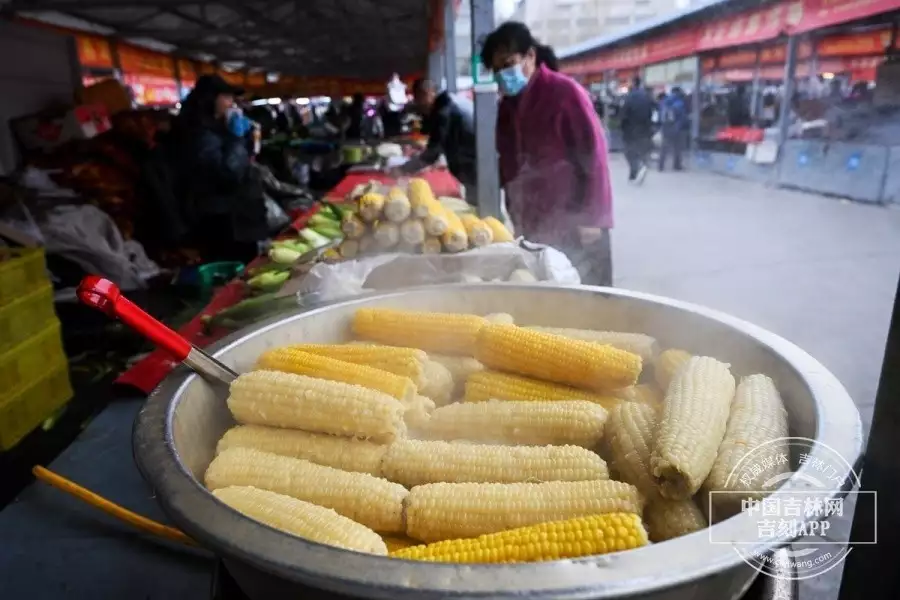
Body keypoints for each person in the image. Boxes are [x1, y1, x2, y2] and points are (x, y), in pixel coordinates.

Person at [483, 21, 613, 286]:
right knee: (549, 297)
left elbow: (594, 155)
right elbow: (508, 165)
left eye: (508, 64)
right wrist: (513, 213)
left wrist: (593, 217)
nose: (502, 75)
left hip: (577, 222)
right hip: (536, 224)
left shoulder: (564, 93)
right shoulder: (507, 107)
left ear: (530, 56)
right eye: (496, 70)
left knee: (591, 300)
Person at [166, 74, 267, 262]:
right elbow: (227, 174)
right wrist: (236, 138)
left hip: (235, 216)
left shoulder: (217, 128)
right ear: (211, 99)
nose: (232, 103)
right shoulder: (199, 133)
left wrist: (248, 139)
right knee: (235, 268)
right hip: (223, 219)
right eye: (227, 97)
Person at [394, 78, 477, 202]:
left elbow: (433, 153)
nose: (418, 104)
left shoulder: (445, 111)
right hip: (470, 162)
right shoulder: (447, 102)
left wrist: (403, 169)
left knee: (477, 203)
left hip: (474, 163)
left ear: (427, 93)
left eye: (418, 99)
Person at [620, 76, 655, 184]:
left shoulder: (629, 97)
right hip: (644, 129)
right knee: (640, 150)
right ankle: (635, 172)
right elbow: (651, 112)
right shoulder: (646, 96)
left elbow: (624, 115)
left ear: (633, 83)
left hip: (631, 130)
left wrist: (622, 127)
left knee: (629, 152)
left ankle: (637, 167)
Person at [659, 86, 688, 171]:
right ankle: (677, 165)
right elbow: (682, 117)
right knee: (677, 147)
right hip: (676, 127)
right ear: (678, 92)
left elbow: (661, 114)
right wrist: (679, 126)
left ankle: (661, 165)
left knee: (664, 147)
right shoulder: (680, 102)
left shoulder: (665, 101)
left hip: (665, 127)